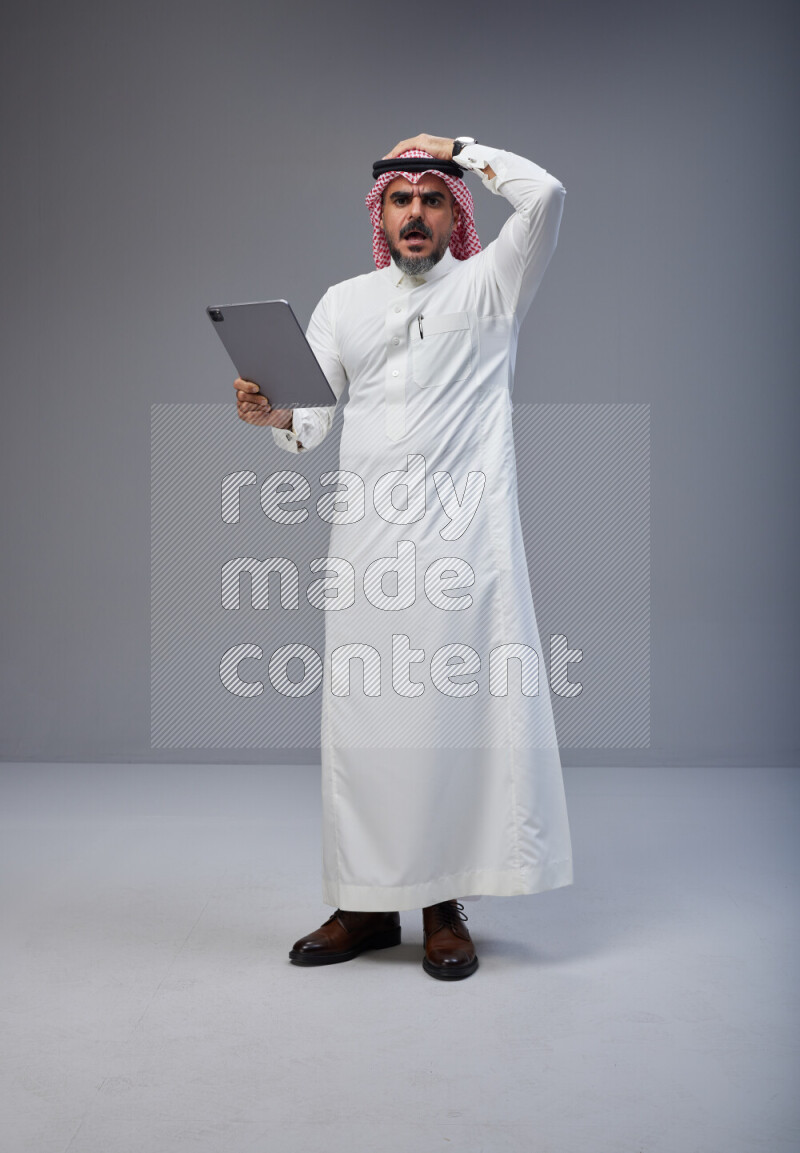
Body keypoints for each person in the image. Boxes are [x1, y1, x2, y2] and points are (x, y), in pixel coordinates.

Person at [234, 133, 573, 981]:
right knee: (366, 727)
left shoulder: (494, 284)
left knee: (451, 724)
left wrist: (459, 146)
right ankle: (363, 906)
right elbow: (309, 423)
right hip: (368, 547)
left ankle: (442, 906)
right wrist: (272, 413)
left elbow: (548, 196)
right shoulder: (344, 302)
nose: (415, 212)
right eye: (401, 199)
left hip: (468, 546)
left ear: (452, 209)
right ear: (380, 214)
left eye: (431, 196)